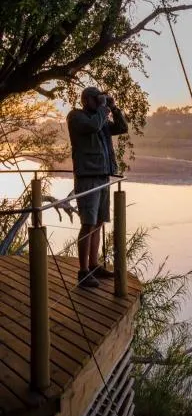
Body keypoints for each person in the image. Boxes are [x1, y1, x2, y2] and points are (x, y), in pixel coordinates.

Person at [67, 87, 128, 288]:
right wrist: (103, 108)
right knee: (88, 223)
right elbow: (92, 126)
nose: (100, 102)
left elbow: (122, 128)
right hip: (87, 178)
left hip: (102, 176)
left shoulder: (100, 119)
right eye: (97, 99)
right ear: (86, 100)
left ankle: (94, 266)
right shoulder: (77, 117)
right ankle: (83, 272)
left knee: (99, 222)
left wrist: (113, 107)